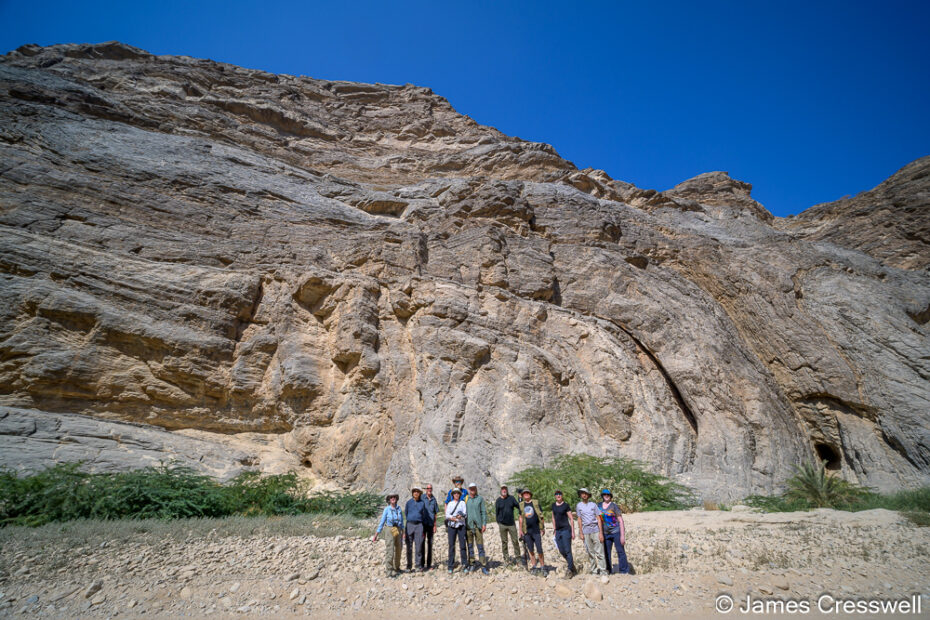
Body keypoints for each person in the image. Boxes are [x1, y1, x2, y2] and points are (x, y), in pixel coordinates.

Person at [575, 487, 607, 575]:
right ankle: (594, 570)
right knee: (590, 552)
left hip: (595, 530)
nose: (584, 495)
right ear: (580, 495)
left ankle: (603, 570)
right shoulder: (579, 506)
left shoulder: (593, 505)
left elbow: (598, 518)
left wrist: (601, 533)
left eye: (585, 493)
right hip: (586, 531)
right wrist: (581, 533)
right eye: (582, 493)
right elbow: (579, 519)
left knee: (599, 552)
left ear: (588, 495)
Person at [372, 494, 404, 577]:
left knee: (399, 549)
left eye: (394, 497)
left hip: (397, 529)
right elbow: (382, 522)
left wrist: (403, 532)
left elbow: (402, 521)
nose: (393, 498)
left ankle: (397, 568)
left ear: (396, 499)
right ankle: (389, 571)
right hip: (389, 529)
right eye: (391, 497)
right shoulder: (386, 509)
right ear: (389, 500)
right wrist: (376, 534)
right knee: (390, 550)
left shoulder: (399, 508)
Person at [599, 489, 630, 574]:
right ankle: (608, 571)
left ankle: (624, 571)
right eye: (604, 494)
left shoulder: (614, 506)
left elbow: (620, 520)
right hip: (605, 533)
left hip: (616, 532)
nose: (606, 496)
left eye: (608, 494)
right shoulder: (599, 506)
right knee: (606, 553)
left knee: (620, 551)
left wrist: (622, 536)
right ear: (602, 496)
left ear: (610, 496)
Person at [518, 489, 545, 575]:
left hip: (536, 530)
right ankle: (534, 566)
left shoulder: (536, 503)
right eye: (524, 493)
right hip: (527, 531)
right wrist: (520, 530)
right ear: (523, 495)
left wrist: (542, 528)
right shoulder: (521, 505)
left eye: (527, 493)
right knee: (530, 550)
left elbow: (541, 516)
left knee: (539, 549)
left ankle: (543, 566)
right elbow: (520, 518)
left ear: (530, 494)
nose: (526, 494)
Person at [550, 489, 577, 578]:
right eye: (556, 494)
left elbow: (571, 518)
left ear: (562, 495)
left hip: (566, 530)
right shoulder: (553, 505)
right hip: (558, 531)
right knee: (561, 550)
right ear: (555, 496)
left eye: (559, 494)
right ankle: (571, 565)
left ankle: (570, 569)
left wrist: (573, 531)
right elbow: (553, 517)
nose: (558, 495)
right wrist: (554, 528)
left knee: (568, 550)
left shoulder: (566, 505)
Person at [464, 483, 489, 574]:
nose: (472, 490)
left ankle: (483, 565)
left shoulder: (480, 499)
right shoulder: (466, 499)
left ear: (476, 489)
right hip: (468, 526)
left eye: (474, 488)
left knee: (480, 546)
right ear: (469, 489)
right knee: (470, 546)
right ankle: (472, 563)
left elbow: (483, 512)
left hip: (478, 526)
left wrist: (484, 524)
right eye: (471, 488)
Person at [495, 485, 521, 564]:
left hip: (511, 524)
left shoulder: (511, 498)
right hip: (502, 525)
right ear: (501, 490)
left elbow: (519, 506)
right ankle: (506, 559)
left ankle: (518, 559)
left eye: (505, 489)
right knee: (504, 542)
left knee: (515, 541)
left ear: (507, 490)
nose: (504, 490)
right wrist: (499, 522)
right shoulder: (498, 500)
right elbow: (497, 512)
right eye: (503, 489)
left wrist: (520, 498)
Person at [404, 486, 429, 572]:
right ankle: (409, 566)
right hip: (410, 524)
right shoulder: (408, 503)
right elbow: (406, 513)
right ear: (412, 493)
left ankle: (418, 565)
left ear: (420, 493)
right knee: (409, 547)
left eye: (418, 492)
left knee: (419, 547)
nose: (416, 493)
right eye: (414, 491)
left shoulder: (422, 503)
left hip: (419, 525)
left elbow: (424, 515)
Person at [445, 487, 468, 574]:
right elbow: (447, 515)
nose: (456, 494)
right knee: (451, 546)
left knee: (463, 546)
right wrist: (453, 518)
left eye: (458, 493)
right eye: (455, 493)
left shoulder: (462, 503)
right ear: (453, 495)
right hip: (452, 526)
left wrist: (460, 516)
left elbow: (465, 514)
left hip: (461, 526)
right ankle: (450, 566)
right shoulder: (450, 503)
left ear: (460, 494)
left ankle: (464, 565)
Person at [423, 484, 439, 570]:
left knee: (430, 544)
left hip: (430, 525)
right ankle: (421, 564)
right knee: (421, 543)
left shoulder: (434, 499)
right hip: (423, 525)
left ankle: (429, 564)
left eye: (430, 488)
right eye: (428, 488)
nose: (429, 489)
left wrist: (435, 525)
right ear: (426, 489)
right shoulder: (422, 498)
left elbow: (435, 513)